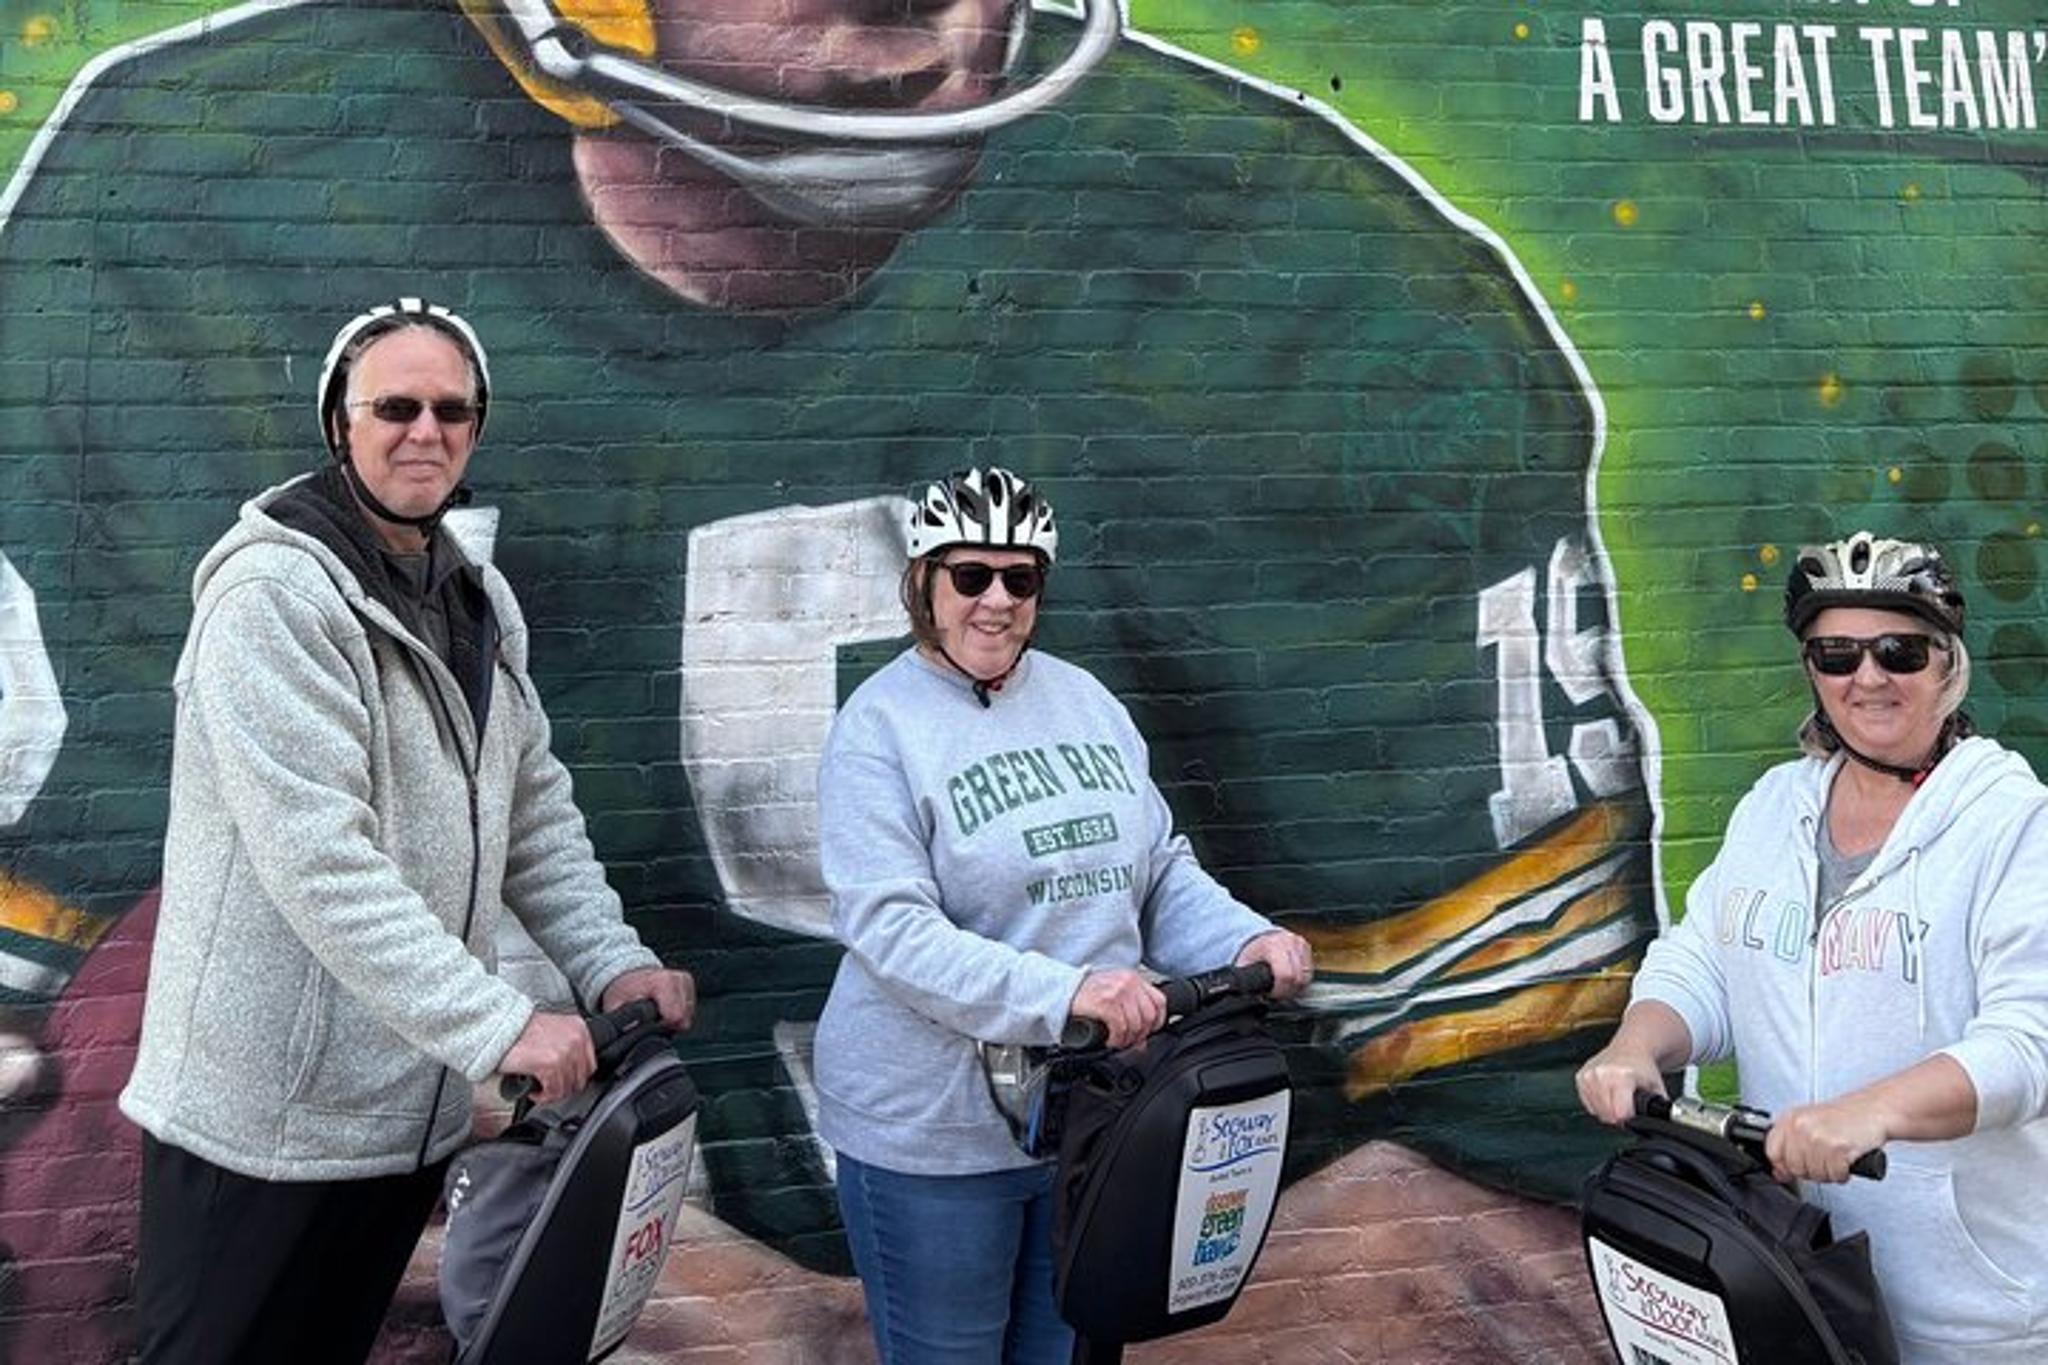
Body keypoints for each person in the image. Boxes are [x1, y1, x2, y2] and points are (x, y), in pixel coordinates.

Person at [1, 0, 1658, 1310]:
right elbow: (102, 1044)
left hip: (989, 1210)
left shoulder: (1308, 303)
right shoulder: (196, 229)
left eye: (1017, 575)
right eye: (399, 417)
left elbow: (1515, 1212)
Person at [114, 298, 696, 1365]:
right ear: (340, 423)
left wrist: (610, 963)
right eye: (394, 407)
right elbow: (320, 863)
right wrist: (497, 1026)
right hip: (264, 1126)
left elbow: (531, 810)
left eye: (449, 410)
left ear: (476, 428)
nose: (422, 431)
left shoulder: (474, 599)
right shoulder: (273, 601)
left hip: (395, 1115)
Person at [811, 466, 1315, 1362]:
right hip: (934, 1132)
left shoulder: (1086, 701)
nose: (996, 601)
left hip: (1091, 1120)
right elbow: (893, 930)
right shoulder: (879, 726)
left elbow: (1156, 869)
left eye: (1022, 577)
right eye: (971, 576)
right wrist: (1070, 990)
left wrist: (1245, 936)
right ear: (924, 581)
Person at [1576, 531, 2048, 1362]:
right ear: (1812, 671)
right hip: (1795, 1278)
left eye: (1898, 650)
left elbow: (2027, 1046)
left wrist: (1871, 1110)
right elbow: (1704, 963)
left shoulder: (2014, 826)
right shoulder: (1772, 808)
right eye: (1837, 653)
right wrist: (1637, 1043)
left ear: (1947, 665)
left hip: (1970, 1315)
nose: (1867, 677)